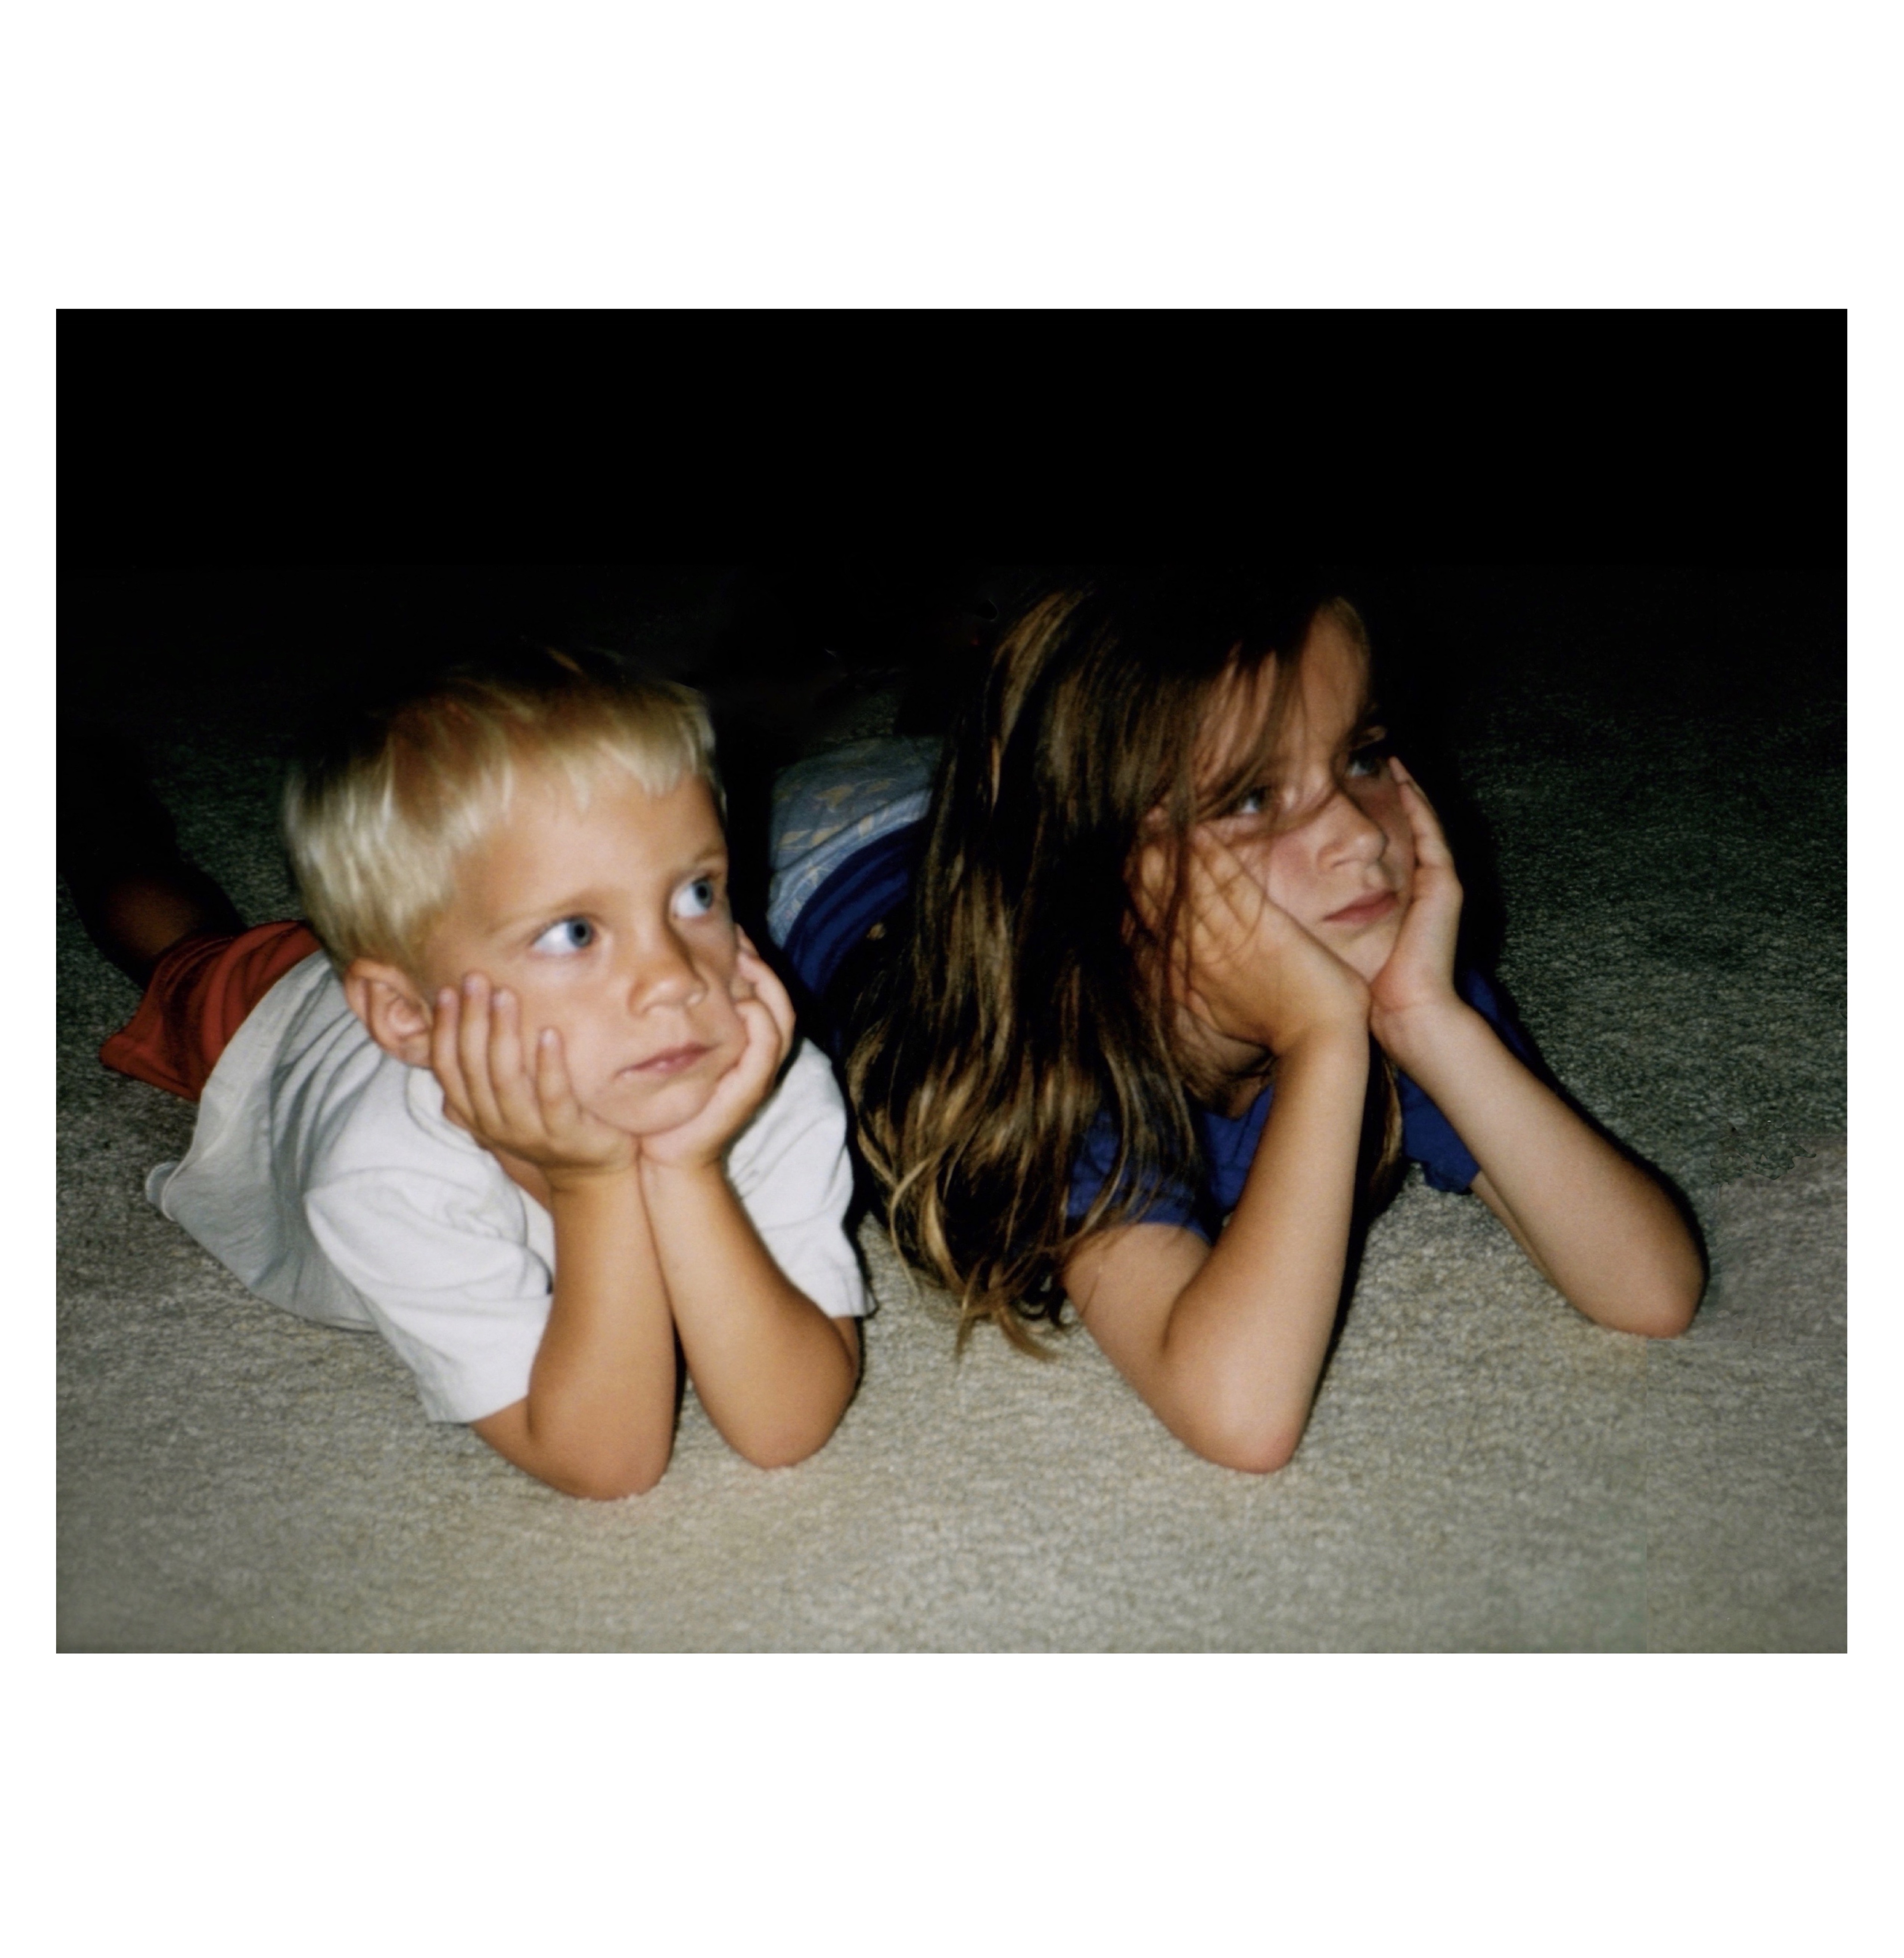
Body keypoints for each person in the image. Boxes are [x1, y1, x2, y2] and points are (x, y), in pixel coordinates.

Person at [770, 575, 1705, 1474]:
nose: (1361, 834)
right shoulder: (1062, 1065)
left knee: (977, 731)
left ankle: (936, 669)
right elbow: (1240, 1415)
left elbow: (1653, 1291)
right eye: (1257, 798)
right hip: (836, 862)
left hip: (1022, 805)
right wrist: (1323, 1040)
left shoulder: (1389, 972)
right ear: (1106, 879)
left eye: (1362, 757)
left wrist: (1430, 1022)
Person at [65, 648, 865, 1499]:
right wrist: (593, 1184)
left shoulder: (758, 1076)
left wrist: (687, 1169)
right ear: (409, 1017)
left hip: (446, 971)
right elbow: (607, 1462)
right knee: (181, 951)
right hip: (280, 1023)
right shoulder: (386, 1173)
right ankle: (86, 812)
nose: (674, 975)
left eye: (696, 893)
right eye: (575, 932)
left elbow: (784, 1424)